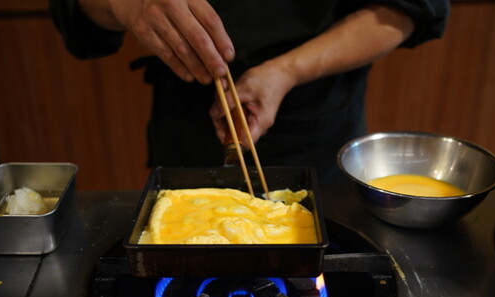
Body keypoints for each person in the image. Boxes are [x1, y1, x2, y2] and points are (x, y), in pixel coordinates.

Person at [49, 0, 449, 184]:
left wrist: (286, 71)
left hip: (315, 128)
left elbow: (410, 7)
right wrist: (127, 5)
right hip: (184, 125)